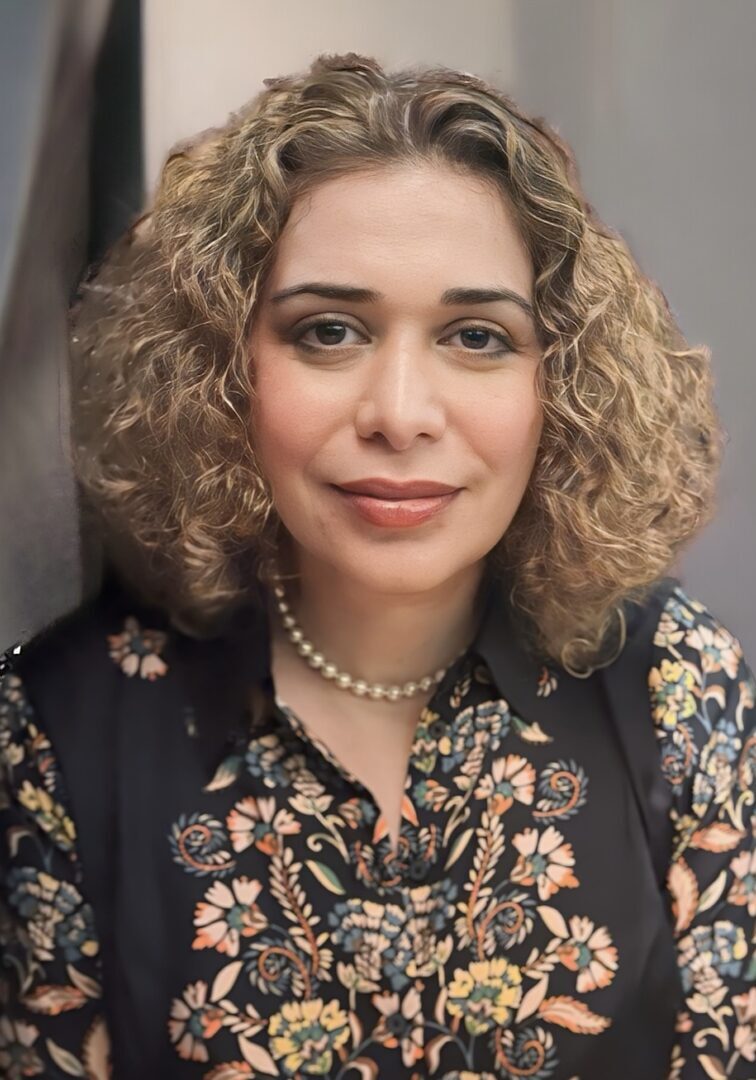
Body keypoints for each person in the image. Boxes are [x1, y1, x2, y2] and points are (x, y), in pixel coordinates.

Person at [0, 51, 753, 1080]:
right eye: (330, 331)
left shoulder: (678, 683)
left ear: (560, 381)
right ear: (224, 367)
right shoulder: (55, 733)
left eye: (477, 336)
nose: (400, 414)